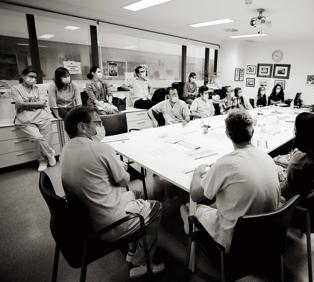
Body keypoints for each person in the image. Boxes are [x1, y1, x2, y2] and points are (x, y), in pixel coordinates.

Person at [61, 107, 165, 278]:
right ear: (83, 127)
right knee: (157, 207)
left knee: (138, 195)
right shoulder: (99, 149)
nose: (100, 126)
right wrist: (119, 166)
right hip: (108, 223)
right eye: (97, 122)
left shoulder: (66, 149)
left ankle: (132, 250)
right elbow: (124, 180)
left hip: (87, 215)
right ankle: (142, 262)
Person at [181, 109, 280, 252]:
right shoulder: (267, 158)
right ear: (252, 132)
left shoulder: (224, 164)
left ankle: (192, 229)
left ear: (227, 134)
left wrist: (197, 173)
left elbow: (195, 195)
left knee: (186, 208)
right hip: (266, 233)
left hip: (235, 241)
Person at [10, 67, 56, 172]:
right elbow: (18, 105)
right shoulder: (16, 89)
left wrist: (25, 104)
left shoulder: (40, 88)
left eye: (35, 77)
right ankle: (48, 155)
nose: (33, 79)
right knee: (37, 138)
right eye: (30, 76)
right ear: (23, 76)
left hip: (42, 118)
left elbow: (42, 103)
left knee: (45, 141)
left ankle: (43, 160)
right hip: (25, 119)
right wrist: (36, 104)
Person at [281, 112, 314, 206]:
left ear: (301, 131)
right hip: (311, 192)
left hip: (297, 200)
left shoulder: (302, 156)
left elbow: (287, 187)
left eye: (295, 126)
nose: (294, 129)